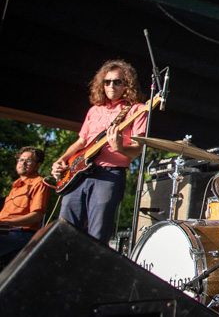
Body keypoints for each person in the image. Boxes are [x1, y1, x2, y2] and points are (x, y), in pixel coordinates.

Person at [51, 60, 149, 244]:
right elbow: (81, 141)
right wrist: (61, 160)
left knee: (97, 235)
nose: (111, 85)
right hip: (77, 175)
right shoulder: (94, 110)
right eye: (107, 82)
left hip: (109, 175)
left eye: (117, 81)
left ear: (127, 84)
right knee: (64, 230)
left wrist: (119, 147)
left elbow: (136, 150)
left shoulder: (137, 109)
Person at [0, 147, 52, 267]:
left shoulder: (39, 183)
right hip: (6, 230)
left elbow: (37, 216)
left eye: (28, 161)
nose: (22, 163)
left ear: (38, 165)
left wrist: (5, 223)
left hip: (22, 233)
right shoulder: (16, 185)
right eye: (20, 159)